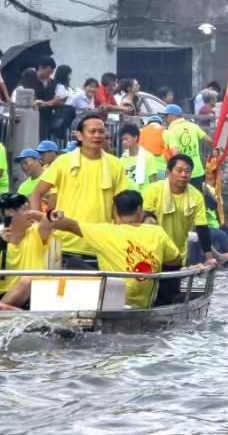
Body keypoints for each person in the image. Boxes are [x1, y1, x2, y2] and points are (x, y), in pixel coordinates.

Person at [49, 190, 182, 309]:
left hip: (112, 303)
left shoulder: (104, 232)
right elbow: (176, 260)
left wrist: (53, 214)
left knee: (73, 263)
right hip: (144, 306)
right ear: (139, 210)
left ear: (116, 212)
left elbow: (65, 224)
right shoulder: (156, 232)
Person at [28, 114, 128, 266]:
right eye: (92, 131)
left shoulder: (115, 165)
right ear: (79, 135)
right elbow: (35, 194)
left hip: (100, 245)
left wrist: (120, 237)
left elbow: (118, 205)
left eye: (101, 132)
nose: (97, 135)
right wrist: (39, 226)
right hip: (63, 245)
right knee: (60, 289)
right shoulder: (63, 161)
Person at [143, 154, 217, 266]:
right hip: (150, 252)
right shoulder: (153, 190)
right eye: (179, 170)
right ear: (168, 173)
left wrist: (209, 258)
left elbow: (202, 228)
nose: (184, 174)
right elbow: (145, 219)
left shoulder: (196, 196)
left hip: (177, 255)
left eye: (187, 171)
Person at [0, 192, 56, 310]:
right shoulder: (1, 240)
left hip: (32, 295)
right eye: (24, 209)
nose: (30, 213)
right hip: (4, 297)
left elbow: (56, 218)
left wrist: (39, 215)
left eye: (29, 208)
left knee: (29, 279)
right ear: (9, 213)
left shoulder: (37, 232)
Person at [162, 104, 210, 190]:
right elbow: (209, 141)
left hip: (182, 174)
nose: (164, 119)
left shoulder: (170, 131)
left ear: (172, 116)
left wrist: (170, 171)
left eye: (165, 116)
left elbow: (175, 153)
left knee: (181, 201)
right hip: (198, 172)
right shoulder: (193, 126)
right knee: (197, 200)